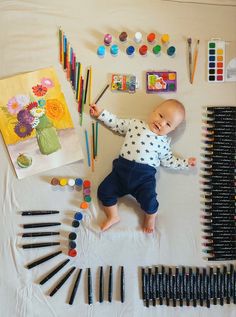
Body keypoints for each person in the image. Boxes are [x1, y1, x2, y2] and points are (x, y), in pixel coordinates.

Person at [90, 99, 196, 233]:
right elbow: (116, 123)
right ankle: (113, 216)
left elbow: (169, 160)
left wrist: (185, 163)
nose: (161, 123)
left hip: (144, 178)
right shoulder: (135, 124)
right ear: (154, 111)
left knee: (150, 201)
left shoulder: (164, 143)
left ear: (172, 130)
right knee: (103, 191)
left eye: (168, 124)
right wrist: (100, 113)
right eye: (161, 116)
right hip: (121, 171)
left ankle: (151, 217)